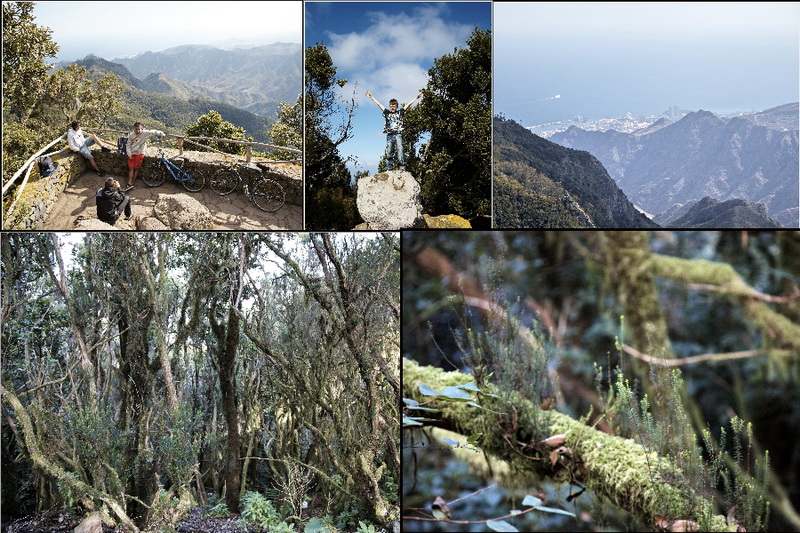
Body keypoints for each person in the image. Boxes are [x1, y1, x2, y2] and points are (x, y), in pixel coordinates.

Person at [365, 90, 423, 171]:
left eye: (394, 105)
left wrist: (416, 97)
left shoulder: (400, 112)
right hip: (390, 134)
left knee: (400, 150)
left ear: (397, 106)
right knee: (389, 152)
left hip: (398, 134)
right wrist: (371, 97)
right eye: (391, 105)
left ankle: (402, 167)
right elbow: (379, 105)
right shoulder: (387, 113)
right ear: (389, 106)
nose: (393, 106)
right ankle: (389, 168)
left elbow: (408, 105)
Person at [124, 122, 165, 191]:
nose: (137, 131)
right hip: (132, 153)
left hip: (140, 153)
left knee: (136, 168)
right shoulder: (131, 135)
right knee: (131, 168)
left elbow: (153, 132)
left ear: (141, 128)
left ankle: (131, 183)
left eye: (139, 129)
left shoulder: (145, 133)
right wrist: (129, 154)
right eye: (136, 129)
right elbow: (128, 145)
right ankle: (129, 183)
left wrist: (162, 134)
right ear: (134, 129)